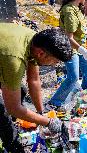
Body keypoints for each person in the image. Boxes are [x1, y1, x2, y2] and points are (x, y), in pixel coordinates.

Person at [0, 23, 73, 152]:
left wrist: (41, 113)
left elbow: (33, 80)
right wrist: (48, 122)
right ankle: (12, 147)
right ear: (41, 54)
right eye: (55, 61)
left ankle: (8, 125)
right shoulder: (14, 59)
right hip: (5, 55)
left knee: (21, 90)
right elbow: (13, 107)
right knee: (2, 112)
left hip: (3, 54)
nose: (54, 65)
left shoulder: (36, 41)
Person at [46, 0, 87, 109]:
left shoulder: (77, 8)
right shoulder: (69, 11)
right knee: (73, 77)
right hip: (71, 48)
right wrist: (84, 51)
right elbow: (68, 37)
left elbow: (81, 27)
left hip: (80, 46)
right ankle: (54, 102)